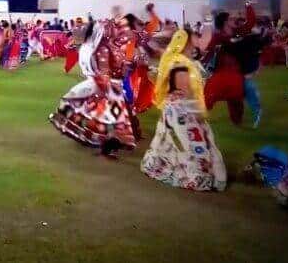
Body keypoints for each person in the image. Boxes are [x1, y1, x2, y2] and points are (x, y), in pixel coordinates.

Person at [140, 30, 226, 191]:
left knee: (172, 142)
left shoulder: (184, 61)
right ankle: (196, 176)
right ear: (186, 41)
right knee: (189, 144)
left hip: (180, 109)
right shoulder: (180, 63)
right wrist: (195, 109)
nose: (198, 39)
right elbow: (182, 90)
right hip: (182, 111)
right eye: (196, 37)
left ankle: (163, 166)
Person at [49, 20, 136, 158]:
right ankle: (108, 146)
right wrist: (104, 90)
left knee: (113, 119)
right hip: (108, 87)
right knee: (109, 119)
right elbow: (105, 71)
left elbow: (119, 63)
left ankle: (110, 145)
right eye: (111, 29)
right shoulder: (103, 49)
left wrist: (126, 65)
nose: (114, 31)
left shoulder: (105, 46)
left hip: (111, 87)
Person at [201, 5, 254, 125]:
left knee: (236, 97)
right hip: (222, 71)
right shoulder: (218, 36)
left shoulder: (237, 32)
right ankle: (196, 117)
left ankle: (237, 121)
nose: (234, 20)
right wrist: (201, 63)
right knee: (210, 96)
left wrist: (248, 5)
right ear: (225, 22)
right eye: (231, 19)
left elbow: (250, 23)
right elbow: (209, 51)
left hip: (236, 71)